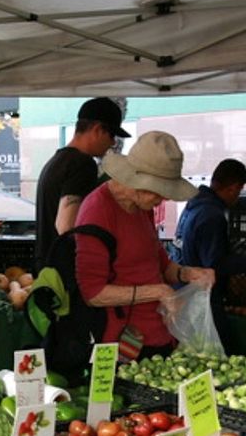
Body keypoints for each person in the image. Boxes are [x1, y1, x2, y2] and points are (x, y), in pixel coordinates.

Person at [75, 131, 215, 359]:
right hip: (121, 345)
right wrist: (159, 292)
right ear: (138, 183)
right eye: (161, 192)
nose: (165, 199)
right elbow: (93, 293)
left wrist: (187, 273)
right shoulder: (97, 212)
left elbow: (158, 264)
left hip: (159, 335)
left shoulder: (143, 208)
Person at [35, 97, 130, 271]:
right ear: (97, 129)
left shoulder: (56, 161)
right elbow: (66, 227)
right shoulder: (82, 163)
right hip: (67, 272)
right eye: (111, 135)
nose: (113, 142)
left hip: (47, 266)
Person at [171, 158, 246, 350]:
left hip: (185, 291)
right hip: (202, 295)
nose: (237, 196)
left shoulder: (194, 205)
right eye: (239, 191)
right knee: (219, 352)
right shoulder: (212, 215)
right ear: (232, 188)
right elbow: (215, 264)